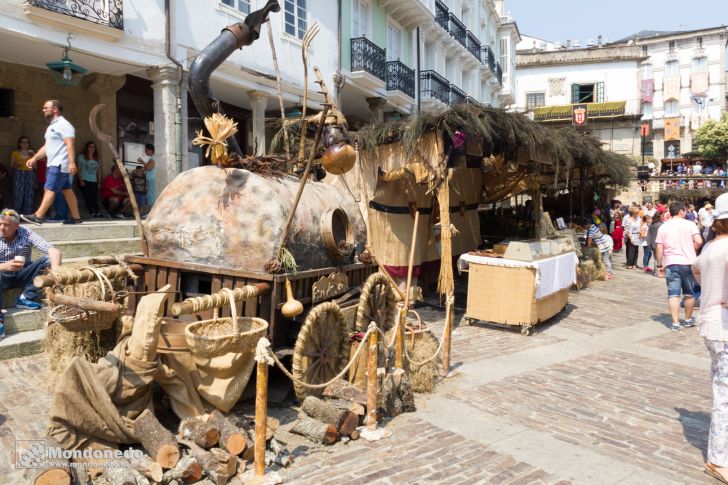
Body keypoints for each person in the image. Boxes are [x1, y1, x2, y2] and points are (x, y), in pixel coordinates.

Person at [692, 192, 728, 483]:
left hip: (711, 324)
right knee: (724, 396)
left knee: (722, 389)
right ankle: (718, 459)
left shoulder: (709, 249)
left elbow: (696, 271)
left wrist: (712, 295)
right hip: (724, 326)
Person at [0, 209, 61, 339]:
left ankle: (26, 297)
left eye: (6, 225)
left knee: (48, 260)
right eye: (0, 224)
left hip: (23, 273)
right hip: (2, 275)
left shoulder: (26, 232)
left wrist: (56, 271)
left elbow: (53, 250)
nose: (2, 227)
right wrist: (5, 266)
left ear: (17, 226)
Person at [21, 100, 82, 225]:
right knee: (67, 191)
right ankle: (76, 218)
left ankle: (38, 216)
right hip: (53, 163)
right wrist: (35, 158)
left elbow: (70, 144)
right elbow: (47, 146)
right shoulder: (51, 127)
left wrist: (71, 163)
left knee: (49, 189)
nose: (43, 110)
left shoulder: (65, 125)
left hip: (60, 163)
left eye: (45, 107)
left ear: (55, 109)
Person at [655, 202, 703, 332]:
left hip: (671, 263)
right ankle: (687, 320)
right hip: (688, 262)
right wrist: (691, 248)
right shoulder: (690, 224)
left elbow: (659, 247)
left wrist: (659, 265)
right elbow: (699, 241)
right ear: (681, 211)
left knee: (673, 294)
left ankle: (675, 323)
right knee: (689, 293)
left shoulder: (664, 227)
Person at [10, 136, 36, 215]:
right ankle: (16, 214)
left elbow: (35, 167)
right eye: (23, 142)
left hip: (29, 173)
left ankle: (27, 214)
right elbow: (12, 165)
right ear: (19, 143)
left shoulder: (31, 153)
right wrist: (17, 164)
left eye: (26, 142)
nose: (25, 144)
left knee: (29, 194)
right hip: (19, 173)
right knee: (18, 194)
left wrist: (34, 155)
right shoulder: (15, 153)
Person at [76, 141, 101, 218]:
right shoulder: (81, 157)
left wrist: (99, 182)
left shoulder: (96, 159)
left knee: (94, 197)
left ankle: (98, 212)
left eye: (93, 147)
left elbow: (98, 171)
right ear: (87, 147)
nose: (92, 148)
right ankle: (92, 212)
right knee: (87, 197)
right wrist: (80, 180)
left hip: (93, 181)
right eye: (90, 146)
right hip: (84, 179)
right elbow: (78, 169)